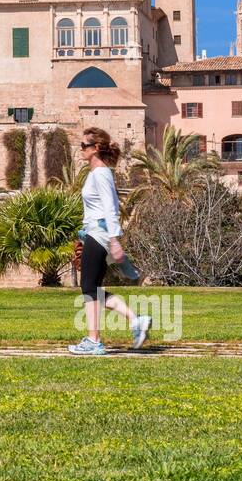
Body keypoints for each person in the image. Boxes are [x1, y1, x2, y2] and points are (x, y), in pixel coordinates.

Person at [68, 127, 151, 355]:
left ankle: (94, 340)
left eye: (84, 146)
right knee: (92, 288)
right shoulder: (96, 173)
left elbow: (111, 208)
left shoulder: (101, 173)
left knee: (88, 288)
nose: (81, 150)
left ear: (95, 149)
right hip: (95, 233)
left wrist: (114, 240)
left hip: (100, 234)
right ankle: (136, 320)